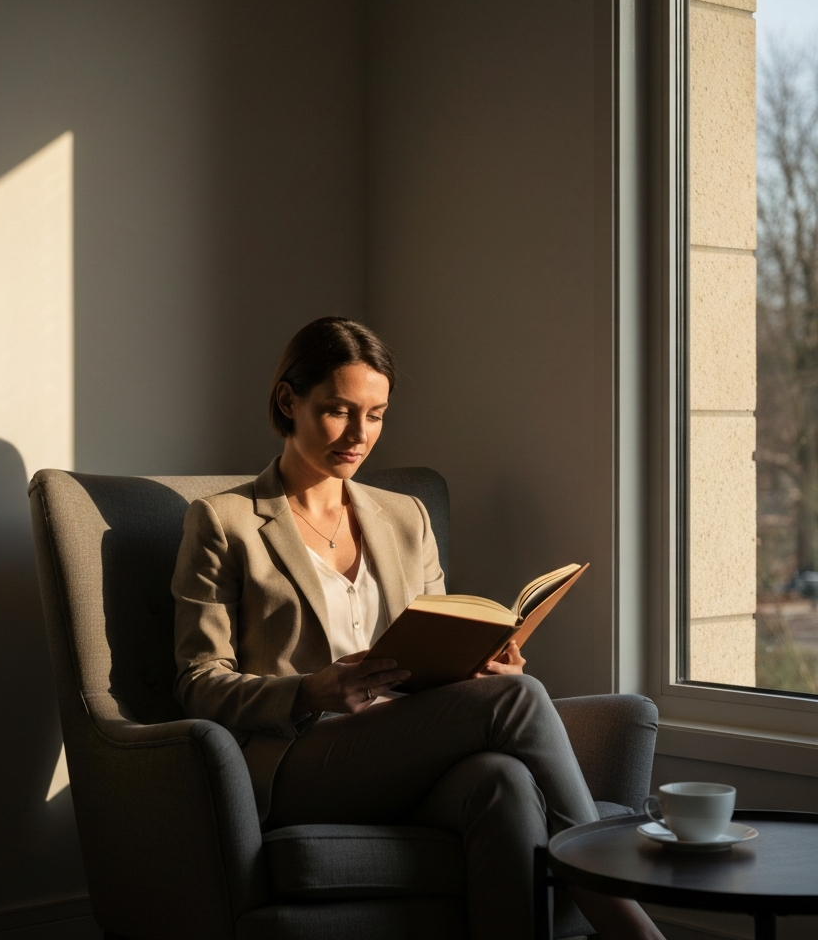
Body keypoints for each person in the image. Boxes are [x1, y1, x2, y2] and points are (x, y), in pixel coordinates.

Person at [172, 316, 663, 940]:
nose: (359, 434)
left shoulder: (406, 517)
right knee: (519, 700)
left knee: (503, 781)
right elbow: (198, 681)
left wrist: (481, 665)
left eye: (375, 414)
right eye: (338, 410)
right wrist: (311, 690)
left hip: (410, 744)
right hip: (302, 761)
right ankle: (617, 905)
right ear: (287, 400)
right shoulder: (224, 523)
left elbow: (436, 636)